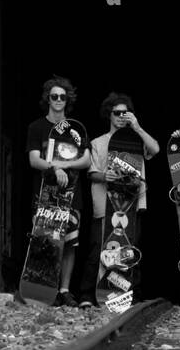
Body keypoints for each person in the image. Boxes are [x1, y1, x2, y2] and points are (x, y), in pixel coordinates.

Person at [84, 92, 160, 306]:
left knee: (129, 249)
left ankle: (128, 294)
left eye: (125, 113)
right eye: (117, 113)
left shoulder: (136, 140)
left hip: (132, 205)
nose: (121, 116)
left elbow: (155, 149)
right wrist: (104, 176)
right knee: (98, 248)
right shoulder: (98, 142)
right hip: (104, 203)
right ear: (109, 115)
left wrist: (136, 127)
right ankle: (88, 295)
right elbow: (91, 172)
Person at [25, 77, 90, 307]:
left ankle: (64, 290)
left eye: (63, 96)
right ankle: (45, 287)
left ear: (68, 100)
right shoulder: (36, 127)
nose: (59, 100)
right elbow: (34, 160)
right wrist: (53, 168)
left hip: (72, 193)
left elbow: (87, 159)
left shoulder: (76, 129)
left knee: (70, 242)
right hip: (45, 192)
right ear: (48, 99)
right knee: (44, 240)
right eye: (54, 96)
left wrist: (65, 166)